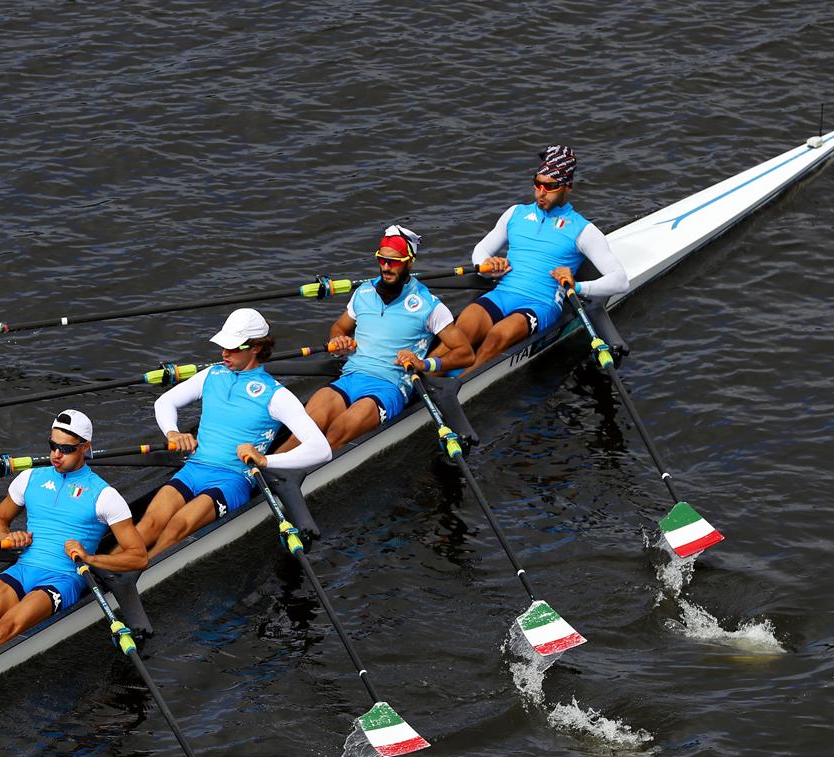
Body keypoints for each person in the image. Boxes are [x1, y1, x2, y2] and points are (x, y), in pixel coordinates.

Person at [0, 410, 148, 683]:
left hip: (63, 578)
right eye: (52, 446)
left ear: (85, 447)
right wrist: (8, 537)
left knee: (6, 628)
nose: (56, 455)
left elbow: (138, 557)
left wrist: (90, 558)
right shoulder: (30, 478)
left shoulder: (105, 496)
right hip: (23, 569)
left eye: (66, 449)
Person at [137, 308, 332, 557]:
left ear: (256, 348)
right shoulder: (211, 374)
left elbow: (321, 449)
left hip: (232, 479)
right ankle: (108, 570)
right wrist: (172, 432)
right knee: (147, 525)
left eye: (232, 348)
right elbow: (165, 402)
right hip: (194, 468)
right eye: (223, 346)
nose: (224, 353)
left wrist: (265, 460)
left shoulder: (276, 395)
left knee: (178, 526)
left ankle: (139, 574)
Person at [278, 225, 473, 452]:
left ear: (410, 262)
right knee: (304, 430)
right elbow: (339, 327)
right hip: (350, 377)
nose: (386, 267)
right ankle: (265, 469)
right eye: (382, 260)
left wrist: (424, 364)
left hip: (389, 387)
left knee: (338, 432)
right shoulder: (363, 293)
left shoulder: (429, 305)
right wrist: (339, 342)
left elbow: (465, 354)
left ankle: (312, 467)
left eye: (394, 261)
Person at [455, 144, 630, 371]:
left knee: (496, 337)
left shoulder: (583, 230)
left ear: (568, 187)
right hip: (503, 294)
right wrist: (486, 265)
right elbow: (481, 250)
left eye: (550, 186)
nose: (541, 192)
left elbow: (620, 280)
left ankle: (460, 385)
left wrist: (578, 287)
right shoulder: (515, 213)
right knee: (460, 331)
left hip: (541, 304)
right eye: (537, 184)